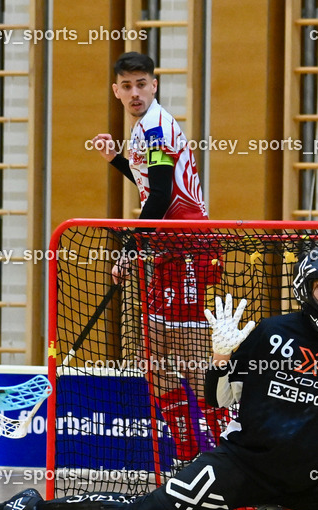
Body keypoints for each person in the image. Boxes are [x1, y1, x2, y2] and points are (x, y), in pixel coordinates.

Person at [0, 245, 318, 510]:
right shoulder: (271, 332)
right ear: (304, 288)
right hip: (240, 468)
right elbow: (220, 399)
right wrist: (220, 359)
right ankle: (35, 509)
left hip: (314, 479)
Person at [90, 51, 225, 461]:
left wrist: (128, 251)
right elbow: (152, 184)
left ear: (154, 85)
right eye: (126, 86)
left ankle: (226, 455)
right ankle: (186, 454)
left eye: (141, 84)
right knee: (155, 356)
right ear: (116, 91)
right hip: (165, 246)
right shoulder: (142, 129)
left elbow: (163, 197)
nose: (134, 93)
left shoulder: (156, 128)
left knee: (192, 358)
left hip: (188, 247)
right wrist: (116, 159)